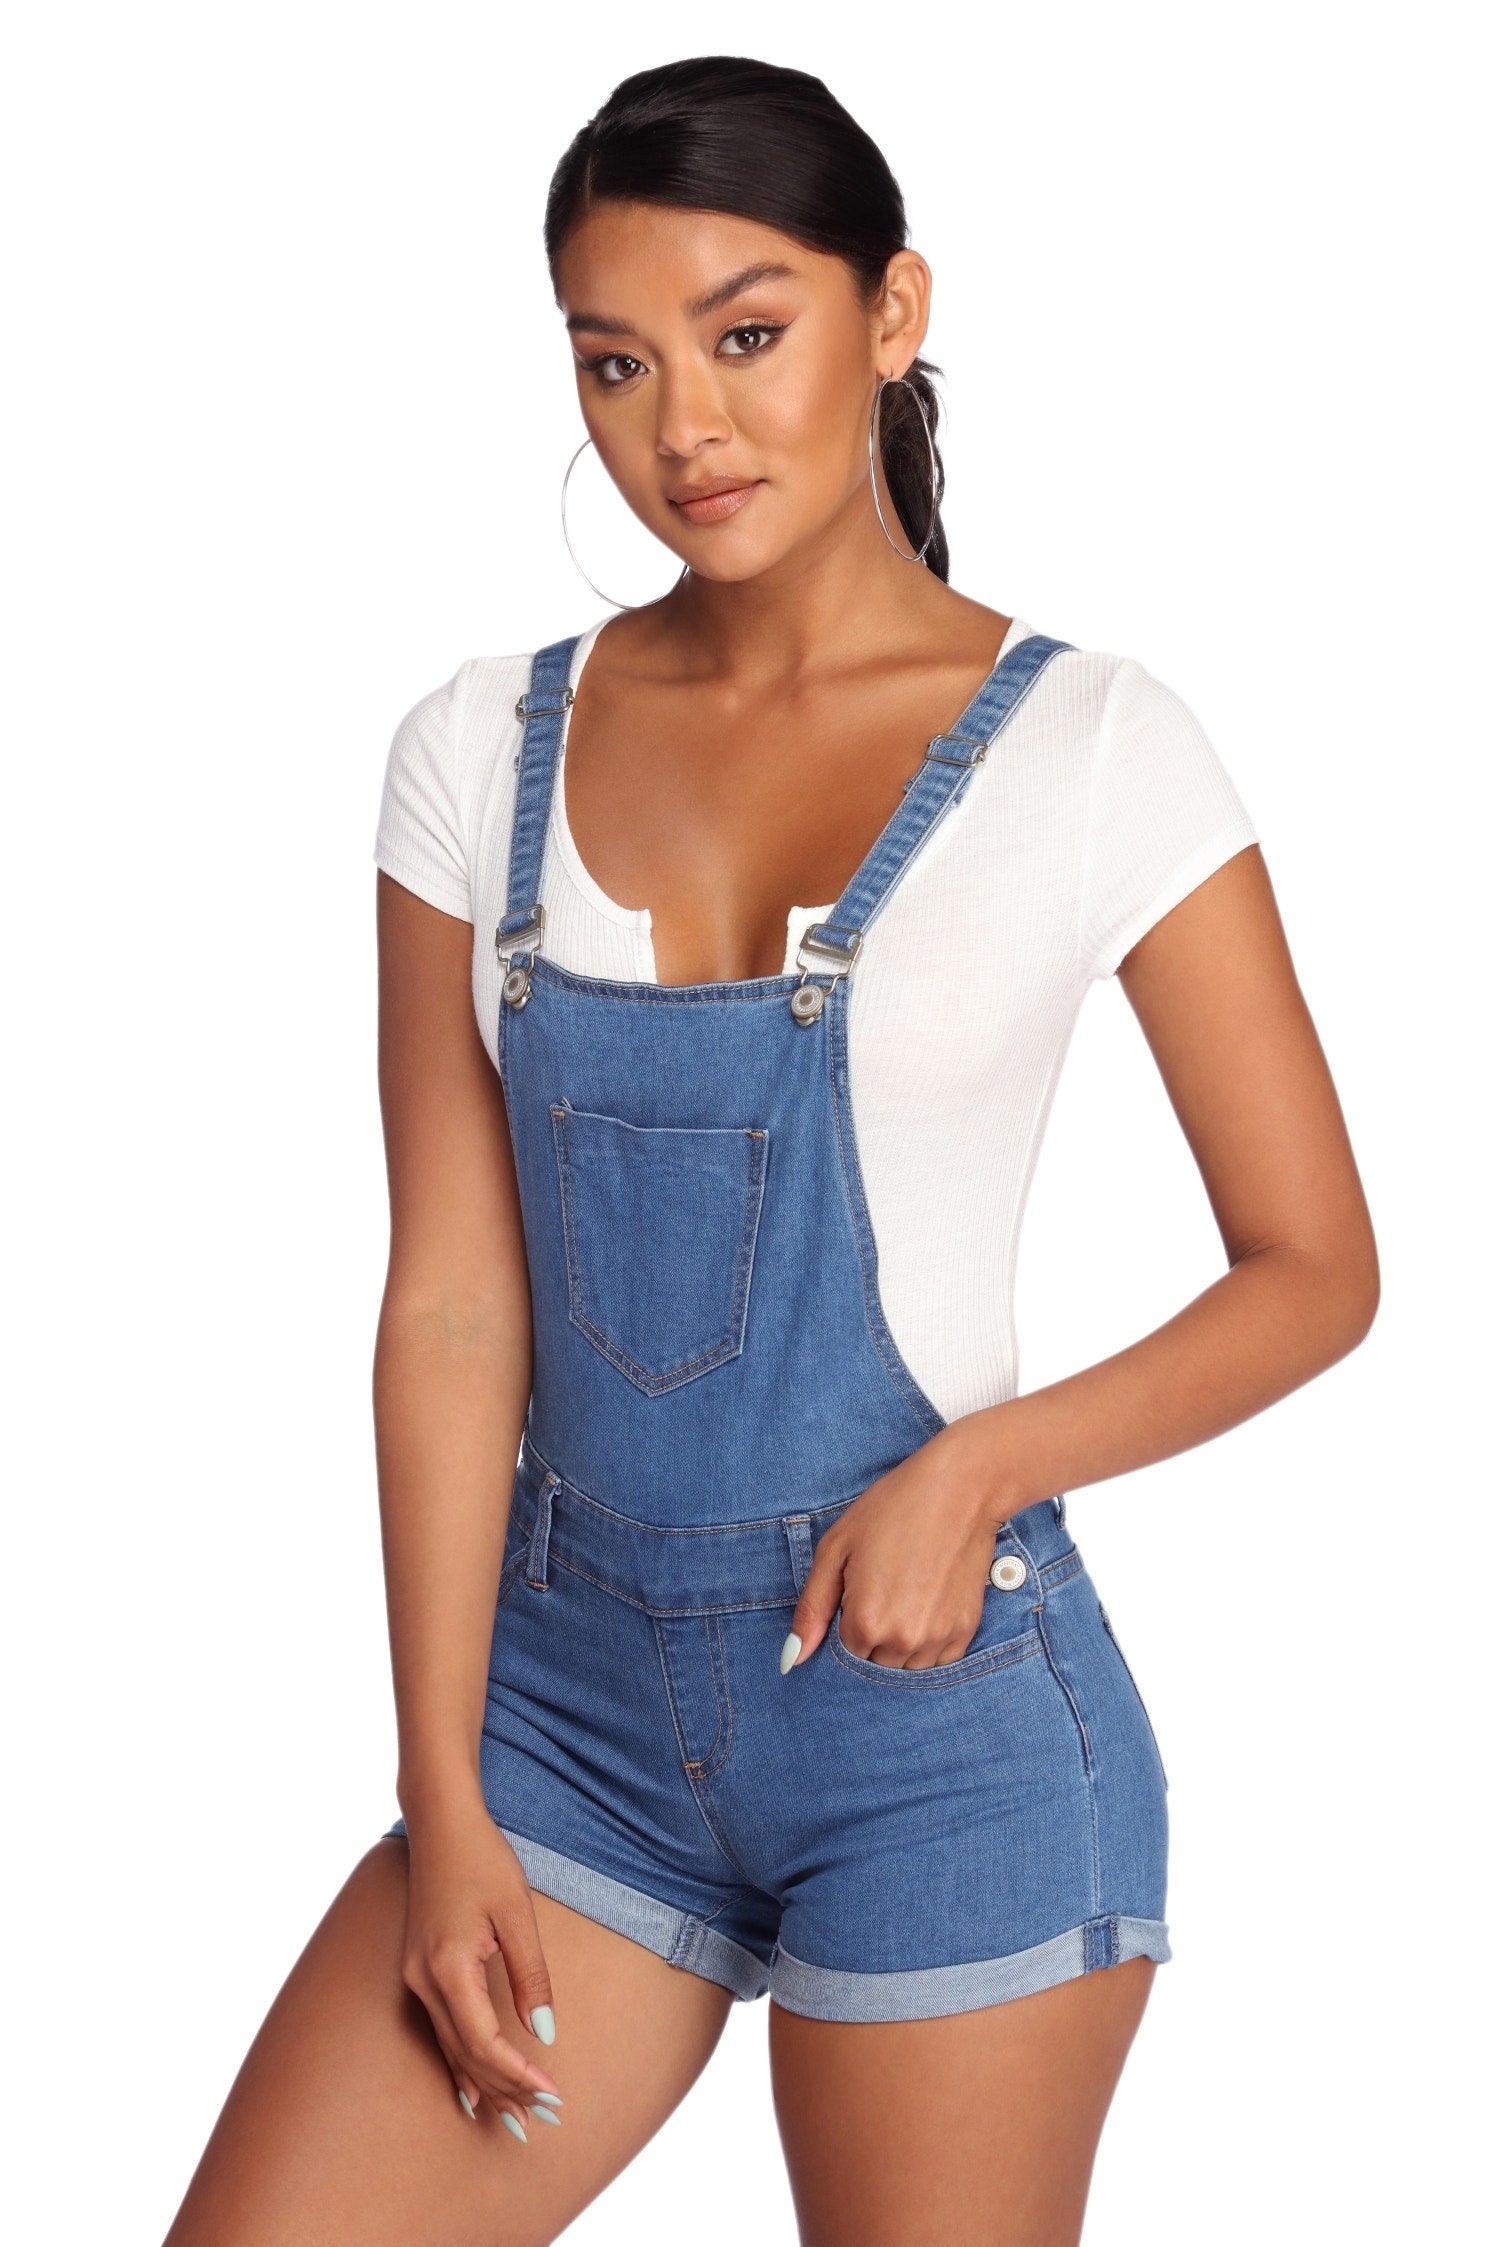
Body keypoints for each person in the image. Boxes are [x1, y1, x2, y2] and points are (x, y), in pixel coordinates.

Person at [163, 53, 1378, 2247]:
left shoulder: (1100, 746)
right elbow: (453, 1304)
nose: (684, 429)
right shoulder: (476, 747)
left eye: (747, 333)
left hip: (941, 1732)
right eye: (616, 363)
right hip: (561, 1725)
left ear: (892, 313)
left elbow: (1315, 1263)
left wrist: (982, 1468)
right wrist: (442, 1790)